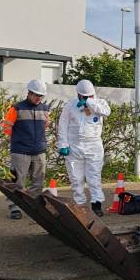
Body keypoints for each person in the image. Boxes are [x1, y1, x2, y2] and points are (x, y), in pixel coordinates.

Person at [57, 79, 111, 216]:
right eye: (83, 96)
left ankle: (96, 204)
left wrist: (89, 102)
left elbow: (106, 112)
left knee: (94, 176)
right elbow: (63, 125)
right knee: (76, 178)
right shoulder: (70, 106)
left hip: (93, 145)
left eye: (89, 96)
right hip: (75, 146)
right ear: (78, 95)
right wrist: (63, 144)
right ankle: (79, 204)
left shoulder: (100, 103)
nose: (86, 98)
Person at [1, 79, 50, 219]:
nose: (39, 98)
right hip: (20, 151)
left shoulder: (45, 109)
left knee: (39, 180)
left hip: (39, 150)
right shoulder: (16, 108)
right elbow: (6, 127)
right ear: (29, 93)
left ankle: (30, 204)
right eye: (36, 95)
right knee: (17, 180)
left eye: (41, 96)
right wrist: (20, 139)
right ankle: (14, 206)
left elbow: (45, 126)